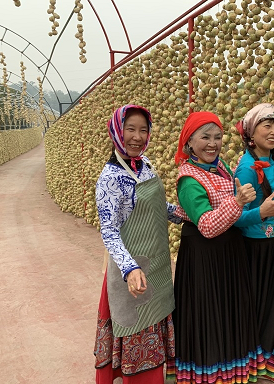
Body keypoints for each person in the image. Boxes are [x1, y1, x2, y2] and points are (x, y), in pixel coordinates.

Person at [167, 111, 265, 384]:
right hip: (205, 257)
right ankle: (210, 374)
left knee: (227, 311)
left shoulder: (218, 166)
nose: (213, 143)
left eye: (218, 137)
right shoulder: (188, 179)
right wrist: (238, 202)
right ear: (188, 143)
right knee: (209, 314)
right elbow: (208, 225)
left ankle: (230, 369)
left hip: (227, 254)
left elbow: (206, 212)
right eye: (205, 137)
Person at [93, 104, 182, 384]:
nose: (137, 136)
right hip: (132, 273)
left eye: (143, 130)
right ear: (117, 131)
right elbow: (109, 231)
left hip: (157, 265)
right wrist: (130, 268)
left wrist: (183, 214)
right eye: (130, 129)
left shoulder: (146, 166)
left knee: (155, 320)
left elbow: (156, 204)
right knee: (136, 328)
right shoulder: (109, 179)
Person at [233, 103, 274, 384]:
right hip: (255, 248)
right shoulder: (246, 168)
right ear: (251, 132)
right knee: (262, 304)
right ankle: (262, 362)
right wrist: (263, 212)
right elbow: (236, 217)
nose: (273, 132)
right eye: (266, 126)